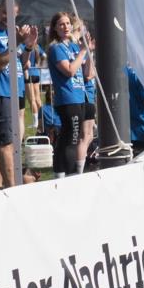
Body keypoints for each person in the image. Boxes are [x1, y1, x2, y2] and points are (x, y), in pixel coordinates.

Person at [0, 3, 37, 189]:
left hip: (14, 90)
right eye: (4, 12)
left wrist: (27, 47)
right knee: (6, 143)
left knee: (0, 140)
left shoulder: (12, 32)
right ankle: (12, 187)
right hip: (0, 91)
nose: (7, 17)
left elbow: (23, 63)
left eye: (12, 15)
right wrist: (17, 41)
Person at [47, 12, 92, 178]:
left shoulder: (73, 46)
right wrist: (81, 53)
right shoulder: (56, 48)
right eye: (61, 24)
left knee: (72, 136)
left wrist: (89, 51)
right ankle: (65, 174)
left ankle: (65, 173)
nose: (66, 27)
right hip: (67, 98)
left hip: (80, 96)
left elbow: (87, 74)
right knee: (70, 139)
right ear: (55, 28)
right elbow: (69, 71)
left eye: (67, 23)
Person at [75, 19, 96, 174]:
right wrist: (90, 53)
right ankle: (79, 170)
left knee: (86, 136)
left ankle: (81, 165)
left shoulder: (77, 49)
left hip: (85, 95)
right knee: (86, 135)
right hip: (85, 95)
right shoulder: (80, 50)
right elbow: (89, 74)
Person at [22, 40, 43, 129]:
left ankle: (35, 122)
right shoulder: (37, 46)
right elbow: (44, 56)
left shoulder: (23, 46)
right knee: (38, 99)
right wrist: (40, 65)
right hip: (36, 73)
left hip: (28, 74)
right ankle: (43, 119)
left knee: (32, 100)